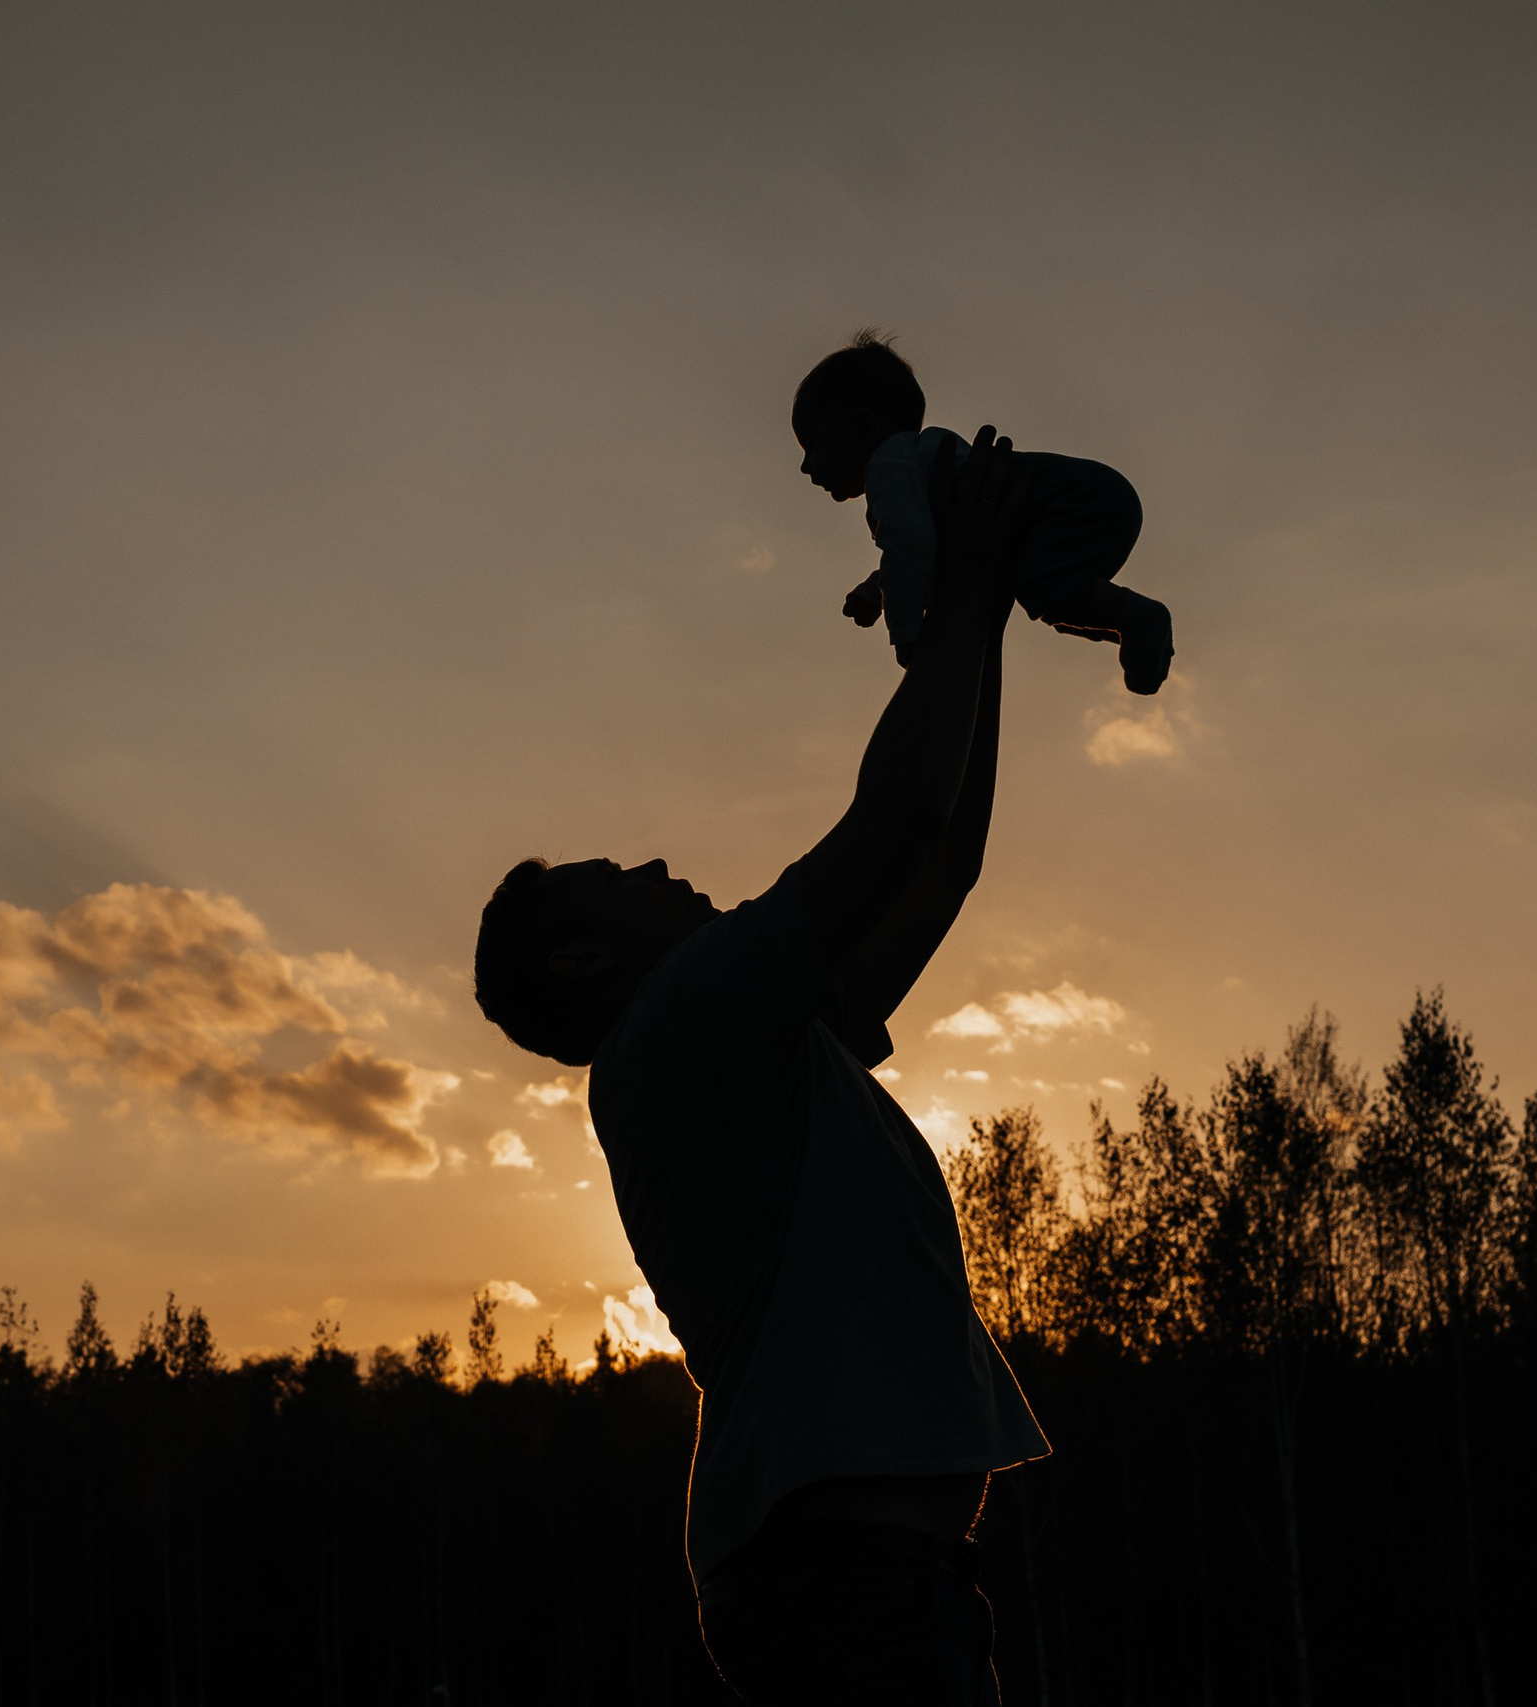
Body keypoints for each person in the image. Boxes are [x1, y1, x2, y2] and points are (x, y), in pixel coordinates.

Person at [474, 428, 1048, 1704]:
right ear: (579, 962)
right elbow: (897, 821)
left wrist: (984, 604)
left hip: (861, 1587)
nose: (656, 867)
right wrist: (965, 590)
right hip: (844, 1591)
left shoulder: (745, 1043)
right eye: (611, 878)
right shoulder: (678, 1024)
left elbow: (936, 853)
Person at [800, 330, 1174, 696]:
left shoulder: (889, 465)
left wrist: (907, 635)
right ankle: (1135, 626)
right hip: (1099, 496)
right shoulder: (917, 467)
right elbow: (928, 556)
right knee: (1050, 598)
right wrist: (875, 592)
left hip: (1078, 502)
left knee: (1044, 589)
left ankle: (1141, 619)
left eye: (812, 444)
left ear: (864, 427)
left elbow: (909, 548)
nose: (804, 466)